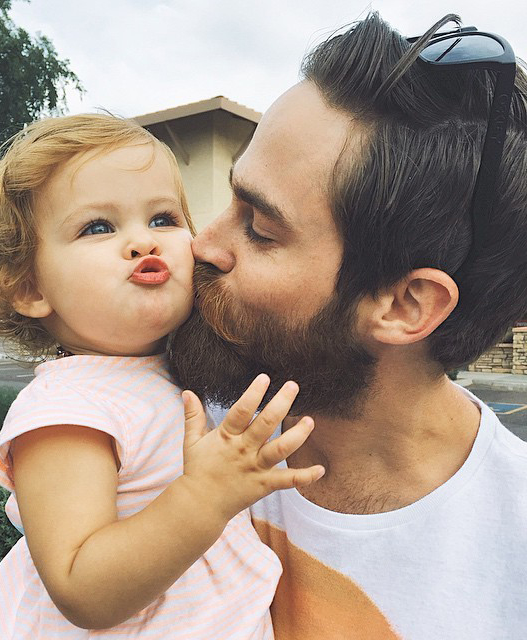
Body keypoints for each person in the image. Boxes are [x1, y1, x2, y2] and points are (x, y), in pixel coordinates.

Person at [169, 12, 527, 640]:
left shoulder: (510, 558)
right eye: (231, 200)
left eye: (260, 229)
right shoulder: (165, 429)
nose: (202, 244)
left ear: (405, 305)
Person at [0, 114, 325, 639]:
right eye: (97, 227)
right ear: (31, 287)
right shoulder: (67, 408)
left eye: (164, 218)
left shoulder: (170, 368)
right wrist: (204, 497)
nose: (142, 242)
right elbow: (82, 589)